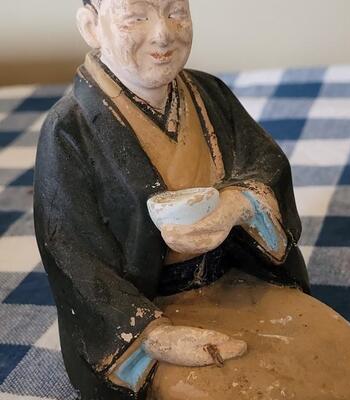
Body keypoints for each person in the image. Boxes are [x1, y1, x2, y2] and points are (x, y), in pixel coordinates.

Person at [33, 0, 310, 399]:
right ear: (91, 26)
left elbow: (266, 165)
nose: (163, 33)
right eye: (136, 18)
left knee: (309, 354)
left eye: (176, 12)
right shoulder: (69, 130)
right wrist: (155, 336)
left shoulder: (209, 93)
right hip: (146, 315)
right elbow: (71, 254)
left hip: (236, 282)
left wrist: (239, 205)